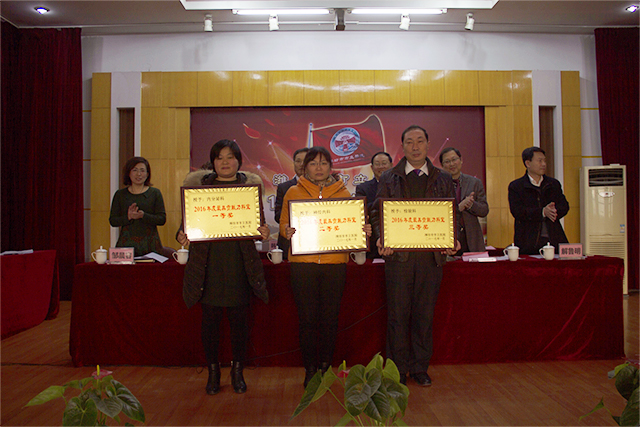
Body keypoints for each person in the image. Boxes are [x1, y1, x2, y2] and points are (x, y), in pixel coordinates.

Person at [370, 125, 460, 387]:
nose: (415, 146)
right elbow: (377, 213)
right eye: (410, 142)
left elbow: (451, 214)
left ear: (429, 144)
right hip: (399, 259)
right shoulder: (389, 177)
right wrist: (381, 237)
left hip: (431, 259)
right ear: (403, 147)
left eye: (420, 141)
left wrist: (452, 238)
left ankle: (420, 367)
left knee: (424, 316)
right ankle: (396, 370)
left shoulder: (443, 177)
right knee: (397, 317)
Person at [180, 139, 270, 396]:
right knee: (210, 323)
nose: (225, 162)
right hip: (207, 266)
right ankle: (213, 372)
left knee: (239, 323)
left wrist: (263, 232)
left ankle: (237, 372)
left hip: (239, 265)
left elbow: (260, 226)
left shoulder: (249, 190)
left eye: (230, 157)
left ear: (238, 161)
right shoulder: (199, 190)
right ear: (213, 163)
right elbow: (184, 227)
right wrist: (182, 235)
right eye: (219, 158)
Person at [280, 146, 372, 387]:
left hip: (334, 264)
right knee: (307, 319)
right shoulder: (293, 192)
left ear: (331, 167)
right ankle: (310, 369)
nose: (318, 168)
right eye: (313, 163)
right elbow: (283, 224)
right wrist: (287, 231)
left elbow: (352, 226)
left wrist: (363, 230)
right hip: (303, 265)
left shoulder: (344, 193)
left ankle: (325, 366)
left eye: (323, 163)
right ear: (305, 167)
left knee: (330, 318)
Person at [508, 147, 569, 255]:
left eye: (544, 160)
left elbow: (564, 206)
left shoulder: (553, 184)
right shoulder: (516, 186)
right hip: (528, 241)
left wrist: (553, 211)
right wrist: (542, 212)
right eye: (539, 161)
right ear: (528, 163)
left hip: (554, 239)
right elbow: (517, 211)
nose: (543, 164)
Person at [109, 156, 166, 257]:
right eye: (135, 170)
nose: (139, 174)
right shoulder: (120, 194)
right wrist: (128, 217)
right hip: (126, 245)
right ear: (128, 173)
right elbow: (113, 221)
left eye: (142, 170)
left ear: (147, 174)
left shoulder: (155, 193)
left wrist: (143, 216)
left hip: (150, 245)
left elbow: (162, 219)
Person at [439, 147, 489, 254]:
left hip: (471, 240)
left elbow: (484, 210)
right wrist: (459, 207)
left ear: (461, 160)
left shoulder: (474, 183)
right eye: (447, 161)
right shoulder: (438, 186)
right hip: (448, 240)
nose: (452, 164)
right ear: (442, 166)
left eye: (454, 159)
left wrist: (471, 205)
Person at [355, 152, 393, 257]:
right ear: (372, 167)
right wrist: (385, 206)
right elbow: (361, 211)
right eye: (377, 164)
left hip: (396, 238)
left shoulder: (399, 186)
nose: (381, 167)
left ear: (391, 165)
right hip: (372, 242)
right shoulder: (363, 188)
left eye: (384, 163)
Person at [274, 148, 308, 259]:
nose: (301, 164)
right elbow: (278, 215)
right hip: (289, 240)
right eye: (298, 161)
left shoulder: (321, 187)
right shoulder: (284, 188)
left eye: (305, 161)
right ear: (293, 164)